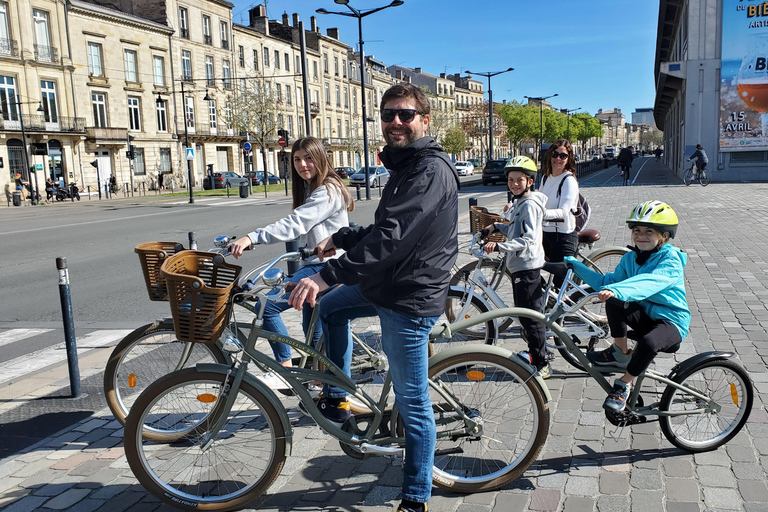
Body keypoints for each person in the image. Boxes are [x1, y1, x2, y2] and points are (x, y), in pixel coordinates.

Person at [287, 83, 459, 512]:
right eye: (388, 115)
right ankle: (338, 397)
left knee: (413, 401)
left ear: (425, 119)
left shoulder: (429, 170)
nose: (395, 123)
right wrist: (342, 237)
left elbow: (395, 237)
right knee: (329, 308)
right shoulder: (404, 167)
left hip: (409, 297)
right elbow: (384, 230)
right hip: (388, 282)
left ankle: (415, 498)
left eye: (405, 115)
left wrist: (328, 274)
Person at [229, 136, 354, 367]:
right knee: (313, 335)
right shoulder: (311, 188)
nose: (302, 165)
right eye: (297, 160)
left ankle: (285, 371)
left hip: (325, 267)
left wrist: (252, 237)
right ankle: (318, 388)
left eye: (308, 158)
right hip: (315, 265)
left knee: (265, 306)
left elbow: (295, 224)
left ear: (320, 158)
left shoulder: (328, 191)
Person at [564, 200, 690, 412]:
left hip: (672, 321)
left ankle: (624, 384)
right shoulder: (631, 258)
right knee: (613, 300)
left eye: (649, 231)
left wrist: (619, 290)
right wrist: (575, 266)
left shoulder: (671, 259)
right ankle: (621, 352)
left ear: (664, 236)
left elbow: (651, 282)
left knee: (649, 343)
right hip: (646, 317)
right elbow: (608, 282)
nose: (641, 235)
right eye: (637, 230)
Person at [481, 156, 550, 378]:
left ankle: (542, 363)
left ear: (530, 181)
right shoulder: (521, 201)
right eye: (511, 180)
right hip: (521, 264)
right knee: (527, 314)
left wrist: (500, 247)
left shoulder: (529, 204)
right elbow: (516, 230)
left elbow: (528, 239)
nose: (514, 184)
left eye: (519, 180)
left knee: (530, 316)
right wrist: (495, 227)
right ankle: (534, 353)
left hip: (526, 265)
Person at [540, 139, 579, 288]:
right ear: (549, 155)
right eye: (555, 154)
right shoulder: (546, 177)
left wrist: (541, 213)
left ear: (568, 159)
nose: (558, 159)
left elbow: (563, 212)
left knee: (561, 285)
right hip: (546, 233)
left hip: (563, 237)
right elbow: (538, 199)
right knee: (529, 264)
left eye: (563, 156)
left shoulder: (568, 180)